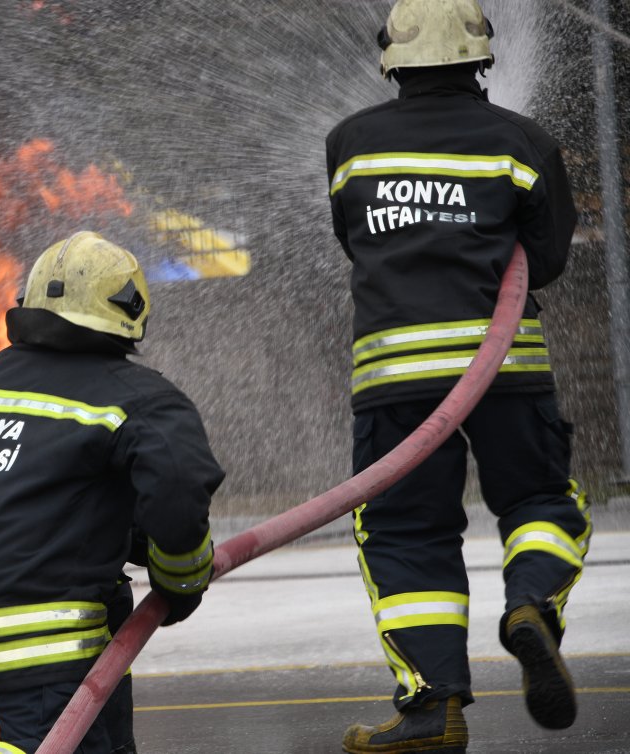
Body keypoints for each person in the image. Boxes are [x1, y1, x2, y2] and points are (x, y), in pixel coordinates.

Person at [324, 0, 591, 750]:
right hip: (503, 368)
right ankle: (532, 604)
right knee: (539, 497)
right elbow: (548, 258)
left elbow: (354, 241)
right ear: (481, 55)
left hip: (395, 377)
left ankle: (430, 708)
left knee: (406, 531)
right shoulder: (523, 142)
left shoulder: (349, 146)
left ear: (393, 56)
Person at [0, 231, 224, 754]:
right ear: (131, 309)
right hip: (34, 612)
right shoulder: (140, 397)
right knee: (48, 745)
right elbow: (179, 495)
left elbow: (57, 497)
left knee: (93, 737)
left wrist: (137, 542)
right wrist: (182, 580)